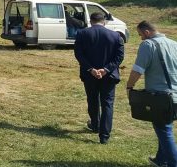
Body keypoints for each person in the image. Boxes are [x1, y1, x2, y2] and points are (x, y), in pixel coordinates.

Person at [126, 21, 177, 167]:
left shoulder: (148, 45)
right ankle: (161, 160)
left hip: (161, 98)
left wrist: (129, 87)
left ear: (147, 32)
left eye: (140, 35)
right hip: (175, 95)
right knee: (166, 126)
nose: (141, 38)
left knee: (164, 130)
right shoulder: (174, 44)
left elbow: (138, 69)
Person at [73, 12, 125, 144]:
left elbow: (79, 54)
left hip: (89, 74)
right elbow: (119, 57)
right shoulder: (115, 35)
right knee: (107, 103)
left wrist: (91, 69)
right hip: (109, 75)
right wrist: (106, 69)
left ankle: (95, 125)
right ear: (104, 22)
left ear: (90, 21)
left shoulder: (82, 34)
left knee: (92, 100)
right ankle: (104, 136)